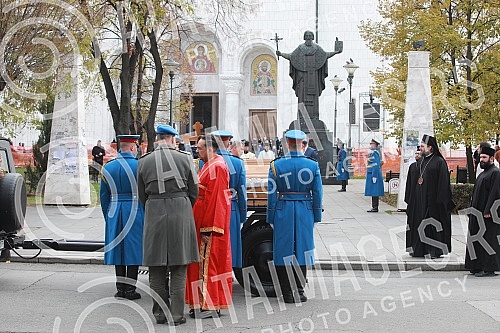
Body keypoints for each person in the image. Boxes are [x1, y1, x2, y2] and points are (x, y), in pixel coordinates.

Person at [137, 125, 199, 325]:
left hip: (154, 211)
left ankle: (160, 314)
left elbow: (141, 195)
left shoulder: (144, 161)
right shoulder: (185, 159)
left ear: (157, 139)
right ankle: (176, 315)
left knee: (156, 269)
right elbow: (194, 190)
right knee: (179, 268)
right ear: (172, 139)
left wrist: (154, 206)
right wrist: (182, 205)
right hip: (180, 210)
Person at [267, 130, 323, 303]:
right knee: (303, 250)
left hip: (283, 208)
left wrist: (271, 217)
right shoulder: (312, 165)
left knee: (283, 250)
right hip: (305, 209)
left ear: (287, 144)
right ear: (302, 144)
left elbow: (271, 193)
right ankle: (299, 290)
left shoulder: (277, 165)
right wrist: (316, 215)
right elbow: (318, 193)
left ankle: (287, 292)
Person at [185, 135, 232, 318]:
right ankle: (200, 302)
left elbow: (217, 200)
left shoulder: (218, 167)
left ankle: (209, 305)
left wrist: (209, 228)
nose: (198, 151)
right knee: (200, 264)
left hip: (208, 224)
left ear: (211, 148)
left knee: (208, 265)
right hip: (200, 220)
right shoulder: (209, 165)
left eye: (200, 148)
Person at [100, 135, 144, 300]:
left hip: (115, 209)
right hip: (135, 208)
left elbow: (104, 196)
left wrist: (108, 215)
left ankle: (120, 288)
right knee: (134, 249)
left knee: (118, 249)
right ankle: (130, 288)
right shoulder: (139, 166)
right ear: (133, 147)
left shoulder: (108, 167)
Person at [405, 134, 455, 259]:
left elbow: (443, 184)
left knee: (431, 226)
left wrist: (441, 202)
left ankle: (434, 250)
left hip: (433, 203)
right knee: (417, 224)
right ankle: (418, 249)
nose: (420, 148)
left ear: (430, 148)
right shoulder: (419, 163)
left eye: (422, 146)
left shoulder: (439, 162)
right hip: (418, 202)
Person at [276, 31, 342, 119]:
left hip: (314, 78)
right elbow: (291, 56)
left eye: (310, 36)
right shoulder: (300, 48)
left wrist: (336, 52)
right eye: (307, 36)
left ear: (313, 37)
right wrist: (281, 54)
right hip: (302, 78)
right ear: (304, 37)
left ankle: (315, 116)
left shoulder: (317, 49)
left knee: (314, 97)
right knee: (301, 96)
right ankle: (301, 116)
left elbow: (326, 55)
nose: (308, 37)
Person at [212, 130, 247, 272]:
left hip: (213, 208)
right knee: (230, 245)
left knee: (213, 247)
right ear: (228, 143)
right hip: (231, 208)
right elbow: (242, 191)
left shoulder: (205, 161)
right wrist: (242, 213)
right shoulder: (237, 163)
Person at [464, 146, 500, 277]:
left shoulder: (495, 172)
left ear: (491, 158)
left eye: (484, 157)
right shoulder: (483, 173)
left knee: (488, 240)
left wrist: (489, 210)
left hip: (488, 214)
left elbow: (495, 193)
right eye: (481, 157)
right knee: (476, 239)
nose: (482, 160)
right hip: (477, 213)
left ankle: (489, 268)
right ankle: (477, 265)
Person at [365, 139, 384, 212]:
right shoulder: (372, 152)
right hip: (372, 173)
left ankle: (375, 207)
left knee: (375, 191)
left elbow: (375, 164)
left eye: (372, 143)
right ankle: (374, 206)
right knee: (373, 191)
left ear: (375, 144)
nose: (370, 145)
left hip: (374, 173)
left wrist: (374, 176)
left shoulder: (375, 153)